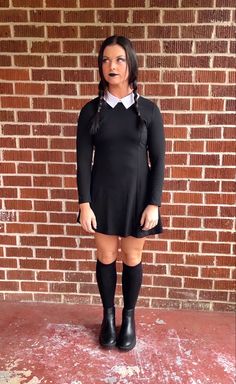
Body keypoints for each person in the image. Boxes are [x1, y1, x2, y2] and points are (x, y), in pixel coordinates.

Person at [76, 35, 165, 351]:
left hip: (138, 198)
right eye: (105, 60)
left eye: (119, 59)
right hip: (101, 198)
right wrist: (84, 204)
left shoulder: (150, 112)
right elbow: (83, 163)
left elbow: (159, 161)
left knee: (132, 256)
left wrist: (154, 203)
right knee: (106, 256)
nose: (111, 66)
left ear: (131, 64)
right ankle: (107, 316)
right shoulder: (90, 112)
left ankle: (128, 318)